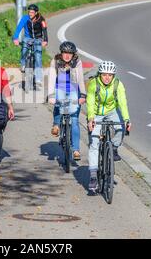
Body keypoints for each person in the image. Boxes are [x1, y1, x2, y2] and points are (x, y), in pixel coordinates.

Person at [87, 60, 132, 191]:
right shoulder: (93, 84)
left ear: (114, 76)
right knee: (94, 142)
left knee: (120, 128)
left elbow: (123, 102)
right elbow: (89, 102)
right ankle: (93, 176)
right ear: (100, 74)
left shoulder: (118, 84)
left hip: (112, 111)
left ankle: (113, 148)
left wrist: (127, 119)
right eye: (104, 74)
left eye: (110, 75)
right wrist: (90, 119)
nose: (107, 78)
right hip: (96, 112)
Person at [48, 41, 86, 161]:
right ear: (61, 53)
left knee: (74, 121)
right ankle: (56, 124)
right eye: (65, 53)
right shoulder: (55, 61)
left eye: (70, 53)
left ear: (73, 54)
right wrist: (51, 95)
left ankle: (76, 150)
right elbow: (52, 78)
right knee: (59, 105)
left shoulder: (77, 62)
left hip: (75, 91)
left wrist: (83, 94)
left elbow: (80, 79)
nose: (67, 56)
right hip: (60, 89)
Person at [12, 4, 48, 86]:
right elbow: (19, 28)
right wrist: (15, 38)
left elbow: (45, 30)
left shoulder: (41, 19)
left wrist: (45, 40)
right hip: (27, 38)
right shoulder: (25, 18)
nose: (30, 14)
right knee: (24, 49)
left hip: (38, 39)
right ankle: (23, 64)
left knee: (38, 57)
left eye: (32, 12)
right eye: (29, 12)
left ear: (36, 13)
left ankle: (38, 78)